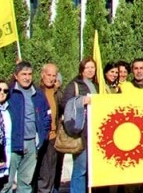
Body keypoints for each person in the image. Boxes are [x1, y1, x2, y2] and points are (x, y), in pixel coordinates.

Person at [4, 61, 51, 193]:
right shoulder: (9, 92)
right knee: (6, 183)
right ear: (16, 75)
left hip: (31, 144)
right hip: (13, 144)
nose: (27, 77)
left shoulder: (38, 93)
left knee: (25, 183)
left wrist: (42, 134)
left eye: (29, 74)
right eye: (23, 74)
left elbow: (47, 114)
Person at [65, 58, 98, 193]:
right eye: (87, 68)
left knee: (90, 168)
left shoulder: (95, 85)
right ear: (82, 70)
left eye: (92, 68)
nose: (90, 70)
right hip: (81, 133)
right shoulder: (74, 85)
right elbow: (65, 103)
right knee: (81, 168)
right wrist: (80, 101)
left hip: (94, 132)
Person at [34, 64, 63, 193]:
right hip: (41, 136)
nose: (51, 78)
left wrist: (59, 89)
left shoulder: (56, 92)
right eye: (48, 75)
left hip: (53, 137)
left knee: (52, 171)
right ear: (42, 75)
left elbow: (63, 105)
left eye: (53, 75)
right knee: (43, 173)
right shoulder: (36, 91)